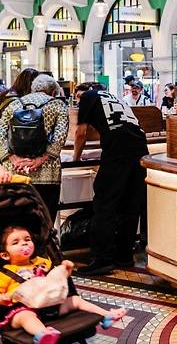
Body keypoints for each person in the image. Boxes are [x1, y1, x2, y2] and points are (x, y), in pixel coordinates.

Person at [0, 225, 126, 343]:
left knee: (75, 300)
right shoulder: (4, 274)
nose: (24, 243)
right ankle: (43, 334)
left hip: (49, 306)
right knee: (26, 317)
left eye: (27, 239)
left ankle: (107, 315)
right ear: (5, 255)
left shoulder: (42, 262)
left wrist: (66, 268)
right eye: (15, 242)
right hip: (22, 309)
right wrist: (3, 298)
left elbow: (55, 278)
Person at [72, 84, 148, 275]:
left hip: (118, 151)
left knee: (104, 204)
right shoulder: (114, 98)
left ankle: (102, 259)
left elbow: (81, 133)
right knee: (130, 205)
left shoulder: (87, 97)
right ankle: (124, 256)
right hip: (141, 150)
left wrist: (75, 159)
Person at [0, 75, 69, 221]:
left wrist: (12, 158)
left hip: (16, 172)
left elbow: (1, 135)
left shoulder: (14, 104)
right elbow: (60, 137)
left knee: (18, 220)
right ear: (53, 92)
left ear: (32, 89)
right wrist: (41, 159)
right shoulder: (58, 105)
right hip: (48, 175)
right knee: (45, 219)